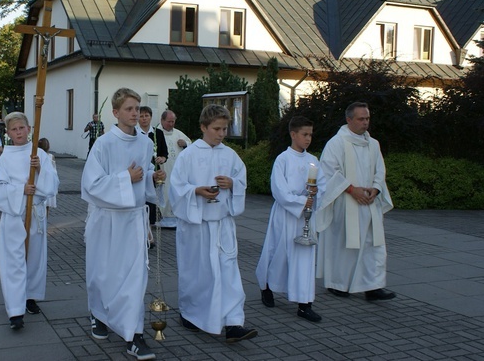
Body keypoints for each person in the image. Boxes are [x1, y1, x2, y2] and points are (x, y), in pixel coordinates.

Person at [82, 88, 165, 361]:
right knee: (103, 274)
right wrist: (124, 178)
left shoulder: (144, 142)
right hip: (107, 220)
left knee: (134, 277)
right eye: (129, 109)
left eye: (138, 109)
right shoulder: (103, 144)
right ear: (116, 113)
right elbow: (90, 185)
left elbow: (142, 178)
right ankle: (99, 316)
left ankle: (134, 335)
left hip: (133, 219)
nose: (135, 114)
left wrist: (153, 177)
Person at [168, 104, 257, 343]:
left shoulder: (230, 155)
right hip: (196, 226)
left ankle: (233, 322)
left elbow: (241, 178)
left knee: (229, 273)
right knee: (199, 273)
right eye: (216, 129)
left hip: (223, 224)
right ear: (203, 127)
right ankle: (191, 313)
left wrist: (232, 183)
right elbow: (176, 188)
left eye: (225, 129)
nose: (221, 134)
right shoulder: (189, 154)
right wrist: (196, 190)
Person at [315, 102, 395, 301]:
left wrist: (375, 189)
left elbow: (380, 170)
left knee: (373, 244)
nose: (365, 123)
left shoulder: (373, 144)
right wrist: (352, 190)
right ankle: (338, 284)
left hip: (369, 202)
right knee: (345, 243)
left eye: (367, 118)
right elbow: (328, 172)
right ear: (349, 120)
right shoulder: (337, 143)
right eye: (361, 119)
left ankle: (373, 286)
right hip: (346, 202)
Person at [0, 112, 59, 330]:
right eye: (14, 129)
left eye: (22, 128)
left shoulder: (39, 154)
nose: (18, 132)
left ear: (29, 129)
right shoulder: (5, 157)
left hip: (35, 214)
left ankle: (30, 296)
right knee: (14, 262)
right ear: (8, 133)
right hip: (14, 215)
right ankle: (15, 309)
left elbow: (52, 184)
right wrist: (21, 190)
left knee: (35, 258)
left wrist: (39, 169)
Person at [256, 116, 323, 322]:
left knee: (304, 257)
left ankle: (305, 303)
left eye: (310, 134)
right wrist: (302, 201)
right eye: (304, 134)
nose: (308, 138)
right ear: (293, 134)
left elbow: (323, 184)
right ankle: (267, 284)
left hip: (305, 217)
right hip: (286, 214)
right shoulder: (283, 159)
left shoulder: (313, 160)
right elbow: (279, 190)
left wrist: (315, 194)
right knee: (279, 253)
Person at [157, 110, 191, 228]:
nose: (171, 124)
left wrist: (185, 143)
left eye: (173, 121)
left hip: (177, 171)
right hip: (163, 170)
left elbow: (191, 146)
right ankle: (163, 217)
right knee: (164, 192)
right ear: (162, 120)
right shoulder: (156, 133)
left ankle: (176, 216)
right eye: (169, 121)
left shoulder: (178, 133)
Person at [137, 106, 168, 230]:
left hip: (154, 171)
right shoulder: (135, 133)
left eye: (146, 116)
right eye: (141, 116)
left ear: (150, 117)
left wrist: (162, 158)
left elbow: (164, 153)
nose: (144, 119)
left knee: (151, 200)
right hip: (139, 170)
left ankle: (149, 230)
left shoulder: (157, 133)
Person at [37, 137, 57, 212]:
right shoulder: (51, 156)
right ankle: (46, 219)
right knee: (47, 206)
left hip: (41, 182)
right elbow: (54, 169)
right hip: (49, 181)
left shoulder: (37, 156)